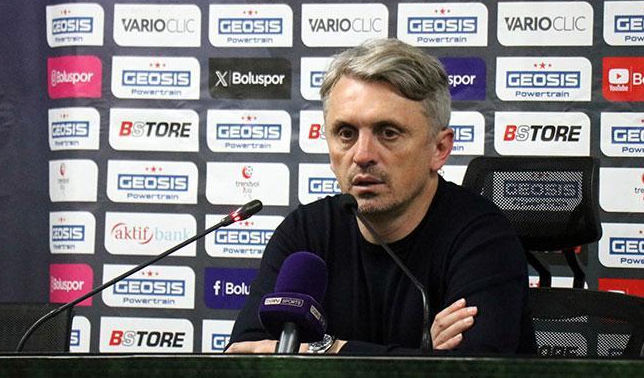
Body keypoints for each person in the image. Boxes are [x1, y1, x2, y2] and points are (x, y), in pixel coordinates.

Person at [225, 38, 535, 354]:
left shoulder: (482, 237)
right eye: (346, 133)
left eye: (388, 133)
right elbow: (245, 353)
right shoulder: (305, 232)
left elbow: (474, 368)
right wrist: (426, 361)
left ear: (439, 149)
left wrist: (327, 350)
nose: (362, 155)